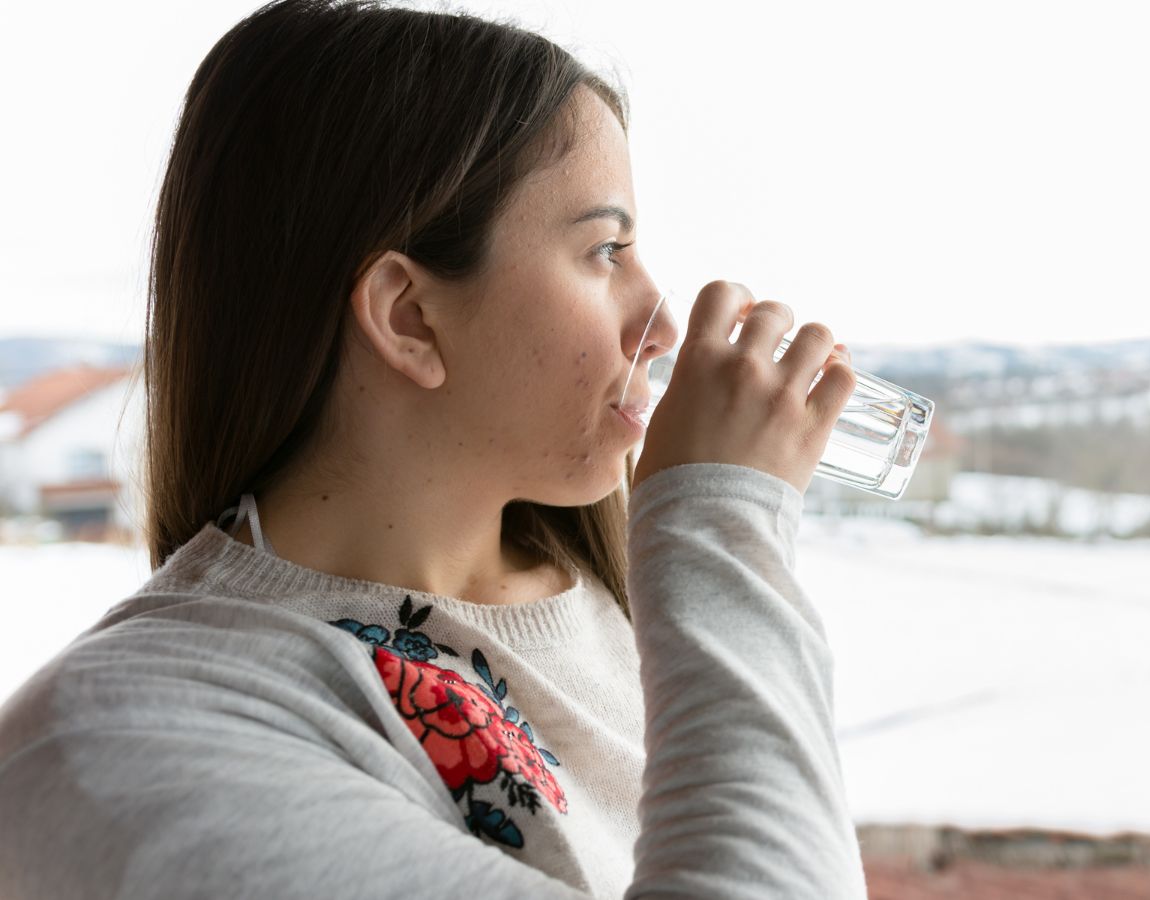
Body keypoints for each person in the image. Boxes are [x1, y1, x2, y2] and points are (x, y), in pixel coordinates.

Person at [0, 0, 868, 896]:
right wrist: (721, 519)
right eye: (606, 250)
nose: (662, 326)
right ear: (409, 317)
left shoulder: (618, 612)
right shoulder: (134, 742)